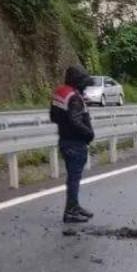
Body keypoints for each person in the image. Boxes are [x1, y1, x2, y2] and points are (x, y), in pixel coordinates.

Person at [49, 65, 95, 223]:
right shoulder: (74, 98)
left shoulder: (61, 93)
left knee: (73, 178)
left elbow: (53, 117)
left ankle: (74, 206)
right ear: (78, 81)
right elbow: (75, 121)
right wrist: (89, 133)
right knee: (74, 178)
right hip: (75, 143)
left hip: (64, 139)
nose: (85, 87)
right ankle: (71, 211)